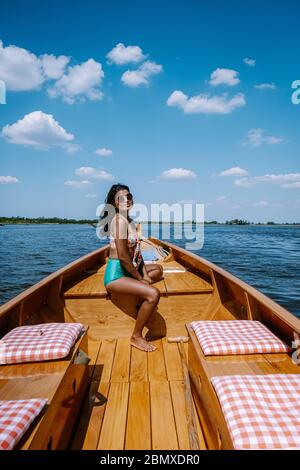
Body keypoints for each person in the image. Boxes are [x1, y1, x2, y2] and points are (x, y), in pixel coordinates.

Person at [101, 184, 164, 352]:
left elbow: (137, 254)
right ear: (114, 204)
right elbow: (123, 256)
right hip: (116, 274)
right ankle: (136, 336)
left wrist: (144, 274)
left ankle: (138, 294)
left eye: (128, 196)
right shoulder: (119, 222)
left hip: (129, 268)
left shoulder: (129, 222)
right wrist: (141, 279)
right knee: (153, 293)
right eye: (121, 198)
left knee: (157, 270)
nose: (126, 200)